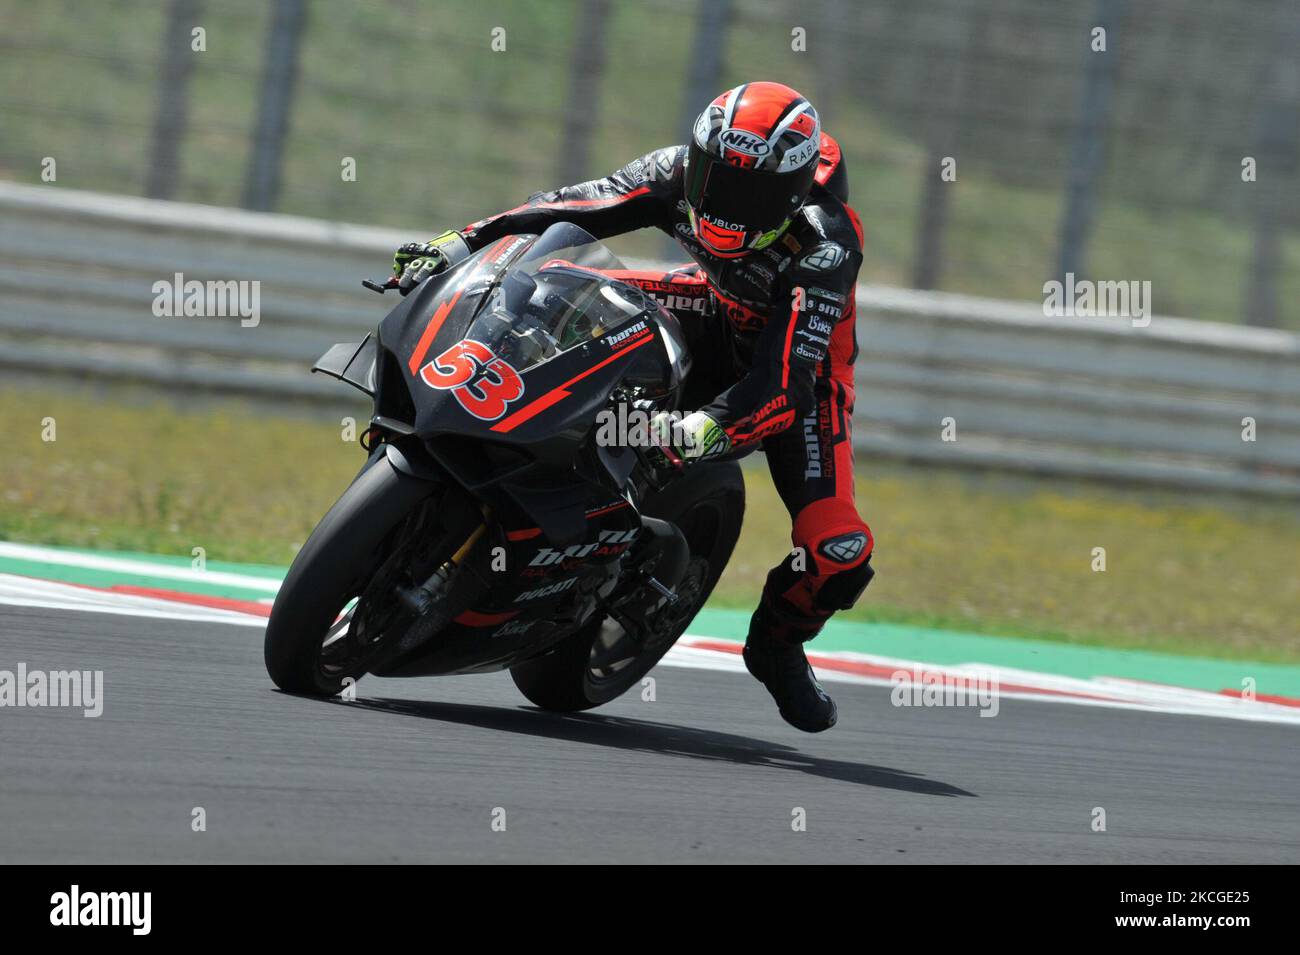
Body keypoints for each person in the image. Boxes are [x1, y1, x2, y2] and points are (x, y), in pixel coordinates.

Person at [392, 81, 873, 732]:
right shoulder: (675, 171)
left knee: (837, 547)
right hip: (707, 306)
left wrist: (708, 427)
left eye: (744, 189)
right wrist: (463, 241)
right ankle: (513, 449)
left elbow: (783, 382)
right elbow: (569, 208)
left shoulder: (825, 245)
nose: (719, 199)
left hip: (795, 373)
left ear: (788, 195)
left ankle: (778, 644)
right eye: (713, 175)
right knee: (556, 286)